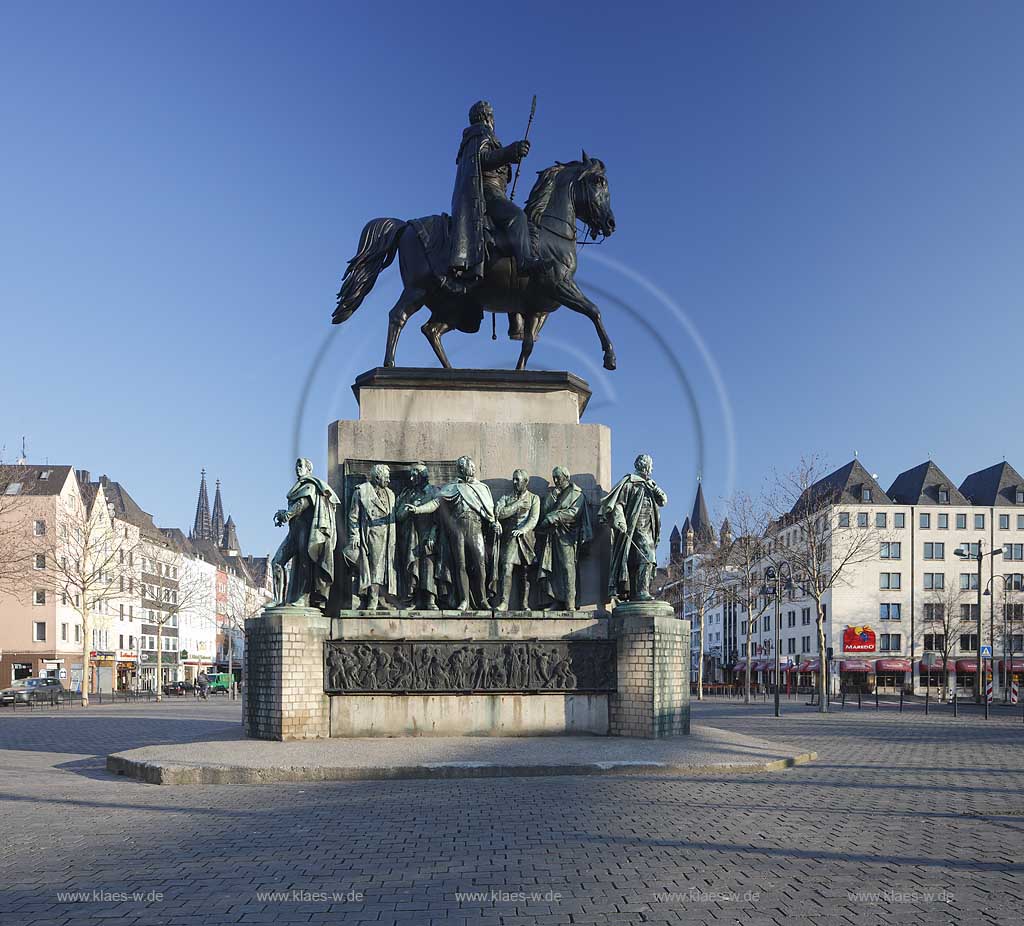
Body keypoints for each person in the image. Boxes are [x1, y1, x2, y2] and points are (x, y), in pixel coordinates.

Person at [449, 100, 546, 285]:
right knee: (517, 216)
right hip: (487, 192)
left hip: (495, 192)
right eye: (492, 116)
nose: (493, 120)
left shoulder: (478, 136)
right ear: (487, 117)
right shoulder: (481, 132)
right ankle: (525, 261)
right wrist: (511, 151)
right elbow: (483, 160)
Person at [405, 455, 501, 611]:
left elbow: (489, 512)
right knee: (460, 564)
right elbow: (435, 503)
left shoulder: (482, 488)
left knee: (480, 564)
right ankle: (464, 600)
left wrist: (495, 524)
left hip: (475, 527)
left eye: (472, 468)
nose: (472, 470)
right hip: (457, 529)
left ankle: (482, 599)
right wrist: (418, 509)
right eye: (468, 467)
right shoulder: (451, 487)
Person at [272, 458, 341, 609]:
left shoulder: (310, 485)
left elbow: (303, 503)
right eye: (297, 465)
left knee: (305, 564)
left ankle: (304, 598)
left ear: (308, 469)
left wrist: (288, 514)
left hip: (306, 532)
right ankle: (278, 599)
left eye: (301, 466)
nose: (298, 468)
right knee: (276, 562)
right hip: (294, 533)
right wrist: (285, 513)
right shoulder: (297, 487)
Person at [600, 453, 668, 601]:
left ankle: (635, 592)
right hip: (634, 527)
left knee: (636, 561)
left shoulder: (650, 485)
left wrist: (655, 488)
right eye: (650, 465)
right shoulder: (629, 483)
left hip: (649, 529)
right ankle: (642, 591)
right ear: (645, 466)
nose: (652, 468)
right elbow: (618, 504)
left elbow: (663, 500)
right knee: (648, 558)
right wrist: (621, 521)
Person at [534, 466, 592, 611]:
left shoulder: (576, 494)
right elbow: (545, 511)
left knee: (568, 568)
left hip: (569, 537)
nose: (555, 480)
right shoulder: (554, 494)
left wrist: (555, 516)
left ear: (566, 477)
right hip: (553, 536)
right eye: (554, 477)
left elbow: (574, 513)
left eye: (557, 477)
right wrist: (551, 497)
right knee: (553, 570)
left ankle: (570, 602)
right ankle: (557, 600)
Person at [342, 464, 397, 611]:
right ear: (377, 477)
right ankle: (372, 600)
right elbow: (353, 517)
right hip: (371, 534)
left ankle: (381, 598)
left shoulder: (391, 494)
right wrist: (354, 536)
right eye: (386, 477)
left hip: (388, 535)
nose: (389, 480)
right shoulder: (362, 491)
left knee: (385, 569)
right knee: (374, 568)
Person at [493, 469, 540, 611]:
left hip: (526, 538)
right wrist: (517, 505)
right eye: (513, 479)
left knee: (526, 571)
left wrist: (523, 530)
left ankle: (524, 603)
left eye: (517, 480)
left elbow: (534, 519)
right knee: (507, 567)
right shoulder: (506, 497)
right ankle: (504, 602)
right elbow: (499, 513)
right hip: (511, 538)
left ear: (525, 482)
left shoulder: (534, 498)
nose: (514, 482)